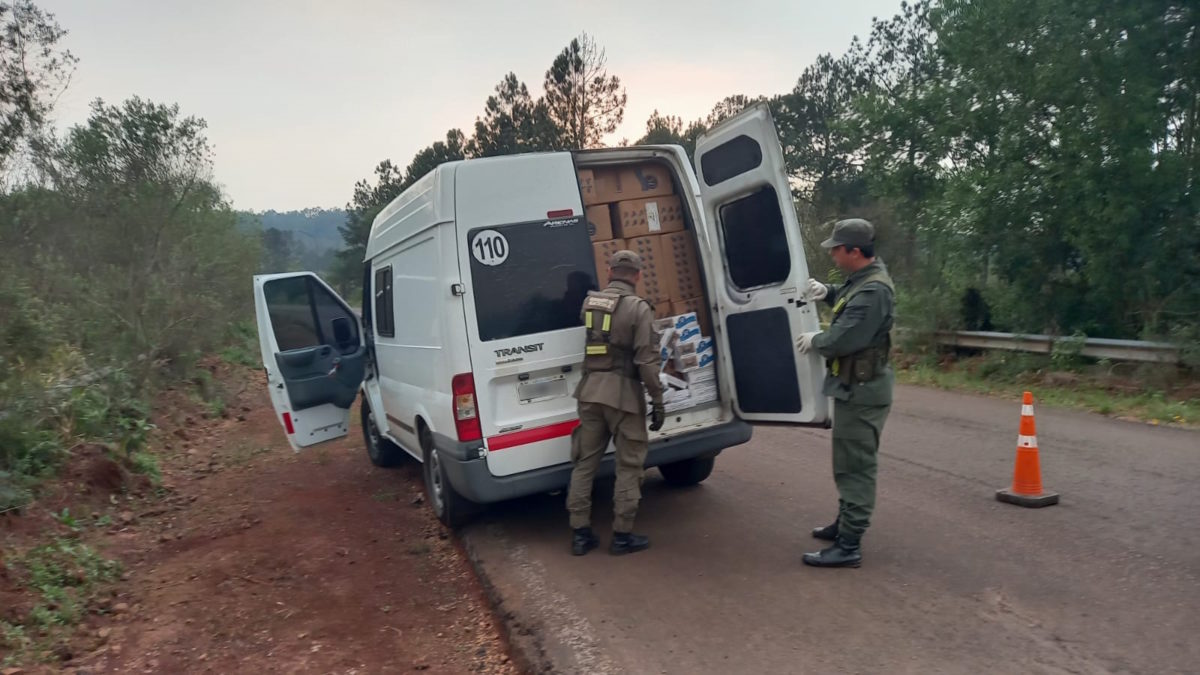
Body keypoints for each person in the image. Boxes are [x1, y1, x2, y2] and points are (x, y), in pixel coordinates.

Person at [795, 218, 895, 568]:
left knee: (856, 467)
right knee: (847, 462)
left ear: (855, 251)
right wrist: (829, 291)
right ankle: (845, 525)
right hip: (855, 387)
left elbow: (845, 338)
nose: (834, 255)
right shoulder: (863, 282)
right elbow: (848, 302)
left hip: (863, 391)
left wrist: (817, 341)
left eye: (837, 250)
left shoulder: (874, 291)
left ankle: (849, 545)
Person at [566, 250, 665, 556]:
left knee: (585, 464)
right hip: (623, 396)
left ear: (609, 272)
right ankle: (622, 536)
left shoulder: (590, 303)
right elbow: (647, 363)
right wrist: (658, 401)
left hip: (590, 391)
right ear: (637, 275)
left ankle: (580, 534)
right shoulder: (639, 309)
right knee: (629, 465)